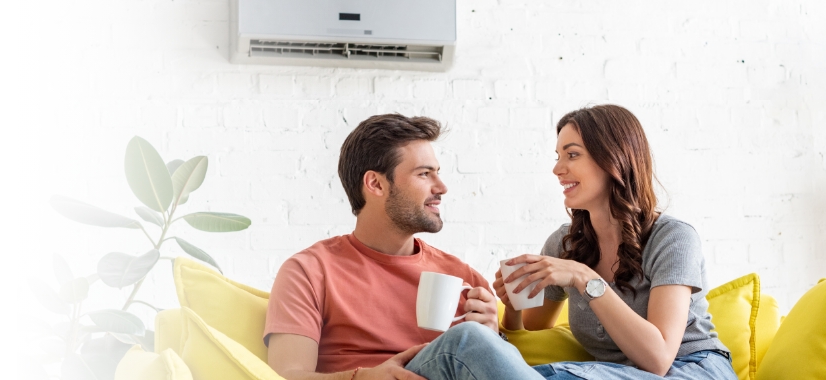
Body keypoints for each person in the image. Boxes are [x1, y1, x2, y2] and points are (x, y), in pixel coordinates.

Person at [264, 114, 544, 380]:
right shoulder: (309, 271)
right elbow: (286, 375)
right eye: (424, 174)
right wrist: (363, 377)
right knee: (465, 340)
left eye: (437, 173)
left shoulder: (461, 277)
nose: (442, 187)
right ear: (375, 184)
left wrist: (492, 336)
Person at [496, 104, 736, 379]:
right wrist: (513, 304)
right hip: (616, 374)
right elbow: (535, 327)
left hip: (693, 368)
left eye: (572, 154)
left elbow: (658, 358)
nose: (557, 169)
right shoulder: (565, 244)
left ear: (614, 160)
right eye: (558, 156)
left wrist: (584, 278)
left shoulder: (673, 238)